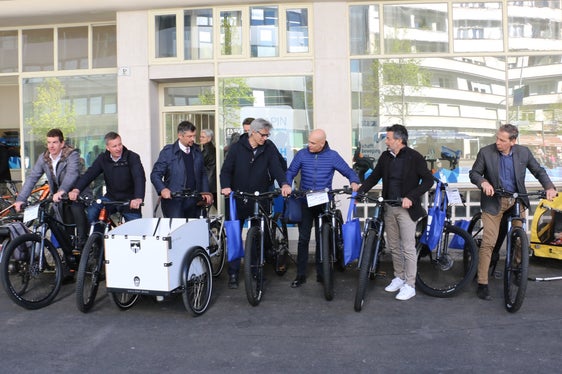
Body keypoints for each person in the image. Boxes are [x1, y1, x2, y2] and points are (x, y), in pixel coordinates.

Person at [469, 123, 556, 300]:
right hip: (495, 201)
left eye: (502, 140)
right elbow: (474, 173)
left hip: (516, 200)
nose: (497, 142)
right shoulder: (486, 152)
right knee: (489, 242)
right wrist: (483, 182)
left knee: (519, 240)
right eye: (497, 138)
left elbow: (538, 171)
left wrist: (549, 187)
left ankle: (517, 269)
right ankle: (482, 282)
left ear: (513, 141)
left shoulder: (524, 153)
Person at [357, 124, 433, 301]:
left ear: (399, 140)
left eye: (389, 138)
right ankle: (399, 277)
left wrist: (411, 197)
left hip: (406, 209)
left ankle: (410, 284)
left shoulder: (415, 157)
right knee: (393, 246)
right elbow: (374, 176)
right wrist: (360, 193)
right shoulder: (385, 156)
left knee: (408, 247)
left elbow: (428, 181)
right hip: (389, 207)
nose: (386, 141)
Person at [220, 118, 292, 289]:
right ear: (252, 132)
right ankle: (233, 273)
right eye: (263, 135)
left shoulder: (267, 149)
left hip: (260, 198)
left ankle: (255, 270)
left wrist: (284, 183)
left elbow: (276, 168)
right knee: (234, 236)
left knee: (257, 235)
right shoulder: (237, 148)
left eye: (268, 135)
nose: (265, 138)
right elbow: (226, 171)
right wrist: (226, 187)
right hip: (237, 198)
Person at [286, 129, 360, 288]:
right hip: (305, 200)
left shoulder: (332, 156)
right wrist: (286, 184)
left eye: (313, 143)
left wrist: (354, 181)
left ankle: (322, 273)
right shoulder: (302, 154)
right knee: (303, 238)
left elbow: (349, 171)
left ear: (322, 143)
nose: (309, 145)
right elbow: (291, 171)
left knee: (322, 238)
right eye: (309, 141)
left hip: (324, 201)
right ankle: (300, 275)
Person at [14, 128, 88, 248]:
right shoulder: (44, 158)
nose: (51, 146)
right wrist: (21, 198)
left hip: (77, 193)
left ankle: (83, 243)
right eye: (49, 142)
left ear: (62, 143)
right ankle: (67, 255)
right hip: (59, 198)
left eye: (55, 142)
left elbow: (72, 174)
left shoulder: (71, 155)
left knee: (76, 211)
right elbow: (33, 177)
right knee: (60, 225)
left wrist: (62, 190)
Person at [68, 131, 145, 222]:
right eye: (114, 146)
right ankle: (98, 235)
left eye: (119, 144)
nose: (118, 148)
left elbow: (139, 177)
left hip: (130, 200)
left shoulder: (132, 157)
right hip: (110, 198)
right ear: (107, 148)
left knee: (135, 229)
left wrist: (138, 198)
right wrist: (76, 189)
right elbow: (90, 174)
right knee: (92, 213)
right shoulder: (103, 158)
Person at [151, 121, 212, 218]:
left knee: (196, 231)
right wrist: (162, 189)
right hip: (174, 202)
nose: (193, 139)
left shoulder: (197, 151)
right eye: (189, 136)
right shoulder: (168, 152)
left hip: (194, 202)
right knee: (177, 231)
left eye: (194, 136)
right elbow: (155, 174)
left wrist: (205, 192)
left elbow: (202, 173)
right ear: (180, 135)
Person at [200, 128, 217, 208]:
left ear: (209, 138)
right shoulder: (212, 149)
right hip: (212, 183)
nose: (200, 138)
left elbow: (199, 165)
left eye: (203, 137)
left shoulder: (207, 150)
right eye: (200, 136)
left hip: (208, 183)